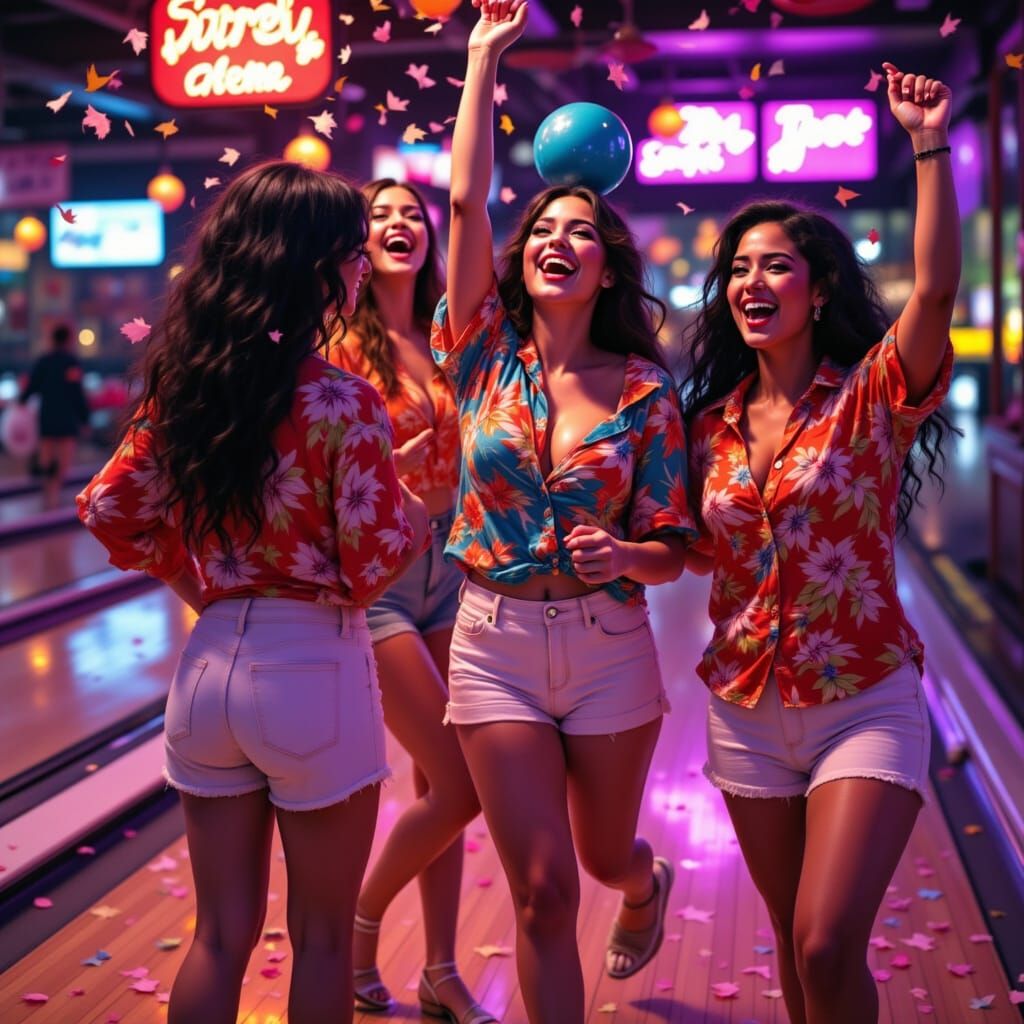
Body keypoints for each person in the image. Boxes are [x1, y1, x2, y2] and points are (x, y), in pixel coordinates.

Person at [77, 160, 428, 1024]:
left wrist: (195, 583)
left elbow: (110, 509)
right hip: (314, 667)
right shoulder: (344, 399)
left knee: (218, 936)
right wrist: (416, 508)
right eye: (351, 254)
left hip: (208, 677)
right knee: (317, 937)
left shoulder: (184, 389)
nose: (360, 269)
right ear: (318, 269)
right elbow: (371, 568)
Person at [681, 64, 958, 1024]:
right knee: (805, 972)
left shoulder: (871, 395)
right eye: (739, 270)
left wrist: (927, 144)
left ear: (818, 283)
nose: (752, 283)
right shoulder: (704, 425)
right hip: (745, 710)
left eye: (775, 265)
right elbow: (688, 550)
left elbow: (935, 290)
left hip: (863, 700)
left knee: (826, 938)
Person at [436, 3, 696, 1020]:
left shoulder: (643, 391)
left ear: (604, 265)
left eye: (578, 232)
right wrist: (481, 56)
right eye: (543, 227)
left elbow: (674, 551)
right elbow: (463, 204)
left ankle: (643, 883)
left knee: (599, 857)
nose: (557, 239)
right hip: (492, 638)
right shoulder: (478, 356)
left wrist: (627, 550)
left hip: (605, 645)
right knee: (542, 893)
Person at [328, 178, 492, 1023]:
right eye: (380, 216)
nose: (401, 225)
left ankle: (439, 968)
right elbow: (319, 470)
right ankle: (361, 927)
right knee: (462, 784)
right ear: (358, 242)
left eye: (411, 215)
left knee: (440, 781)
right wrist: (392, 474)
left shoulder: (445, 336)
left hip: (452, 571)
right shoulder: (338, 344)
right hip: (382, 581)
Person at [20, 322, 91, 509]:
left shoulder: (44, 361)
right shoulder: (71, 362)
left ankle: (48, 491)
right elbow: (77, 393)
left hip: (47, 417)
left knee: (47, 457)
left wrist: (21, 402)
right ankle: (54, 493)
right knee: (63, 459)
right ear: (68, 339)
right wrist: (84, 419)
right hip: (67, 418)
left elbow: (32, 386)